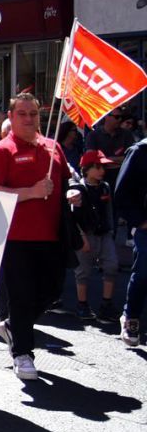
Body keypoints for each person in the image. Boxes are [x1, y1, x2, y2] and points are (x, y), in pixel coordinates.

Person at [0, 93, 71, 382]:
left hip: (53, 234)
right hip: (16, 239)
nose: (29, 118)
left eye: (33, 113)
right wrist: (31, 192)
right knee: (22, 297)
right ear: (11, 117)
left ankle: (13, 326)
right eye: (22, 113)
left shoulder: (54, 146)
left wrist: (74, 195)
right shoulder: (0, 151)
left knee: (52, 292)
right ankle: (22, 353)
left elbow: (66, 182)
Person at [71, 151, 119, 323]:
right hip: (86, 234)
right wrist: (81, 237)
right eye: (97, 167)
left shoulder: (105, 186)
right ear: (86, 169)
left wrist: (111, 231)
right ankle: (82, 304)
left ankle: (106, 304)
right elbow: (73, 217)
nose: (101, 171)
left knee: (112, 265)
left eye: (103, 167)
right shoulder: (77, 189)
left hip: (104, 233)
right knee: (83, 271)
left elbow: (109, 210)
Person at [114, 135, 147, 346]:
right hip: (146, 226)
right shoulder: (140, 151)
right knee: (144, 271)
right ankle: (131, 316)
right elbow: (122, 192)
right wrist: (140, 221)